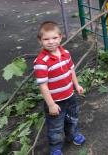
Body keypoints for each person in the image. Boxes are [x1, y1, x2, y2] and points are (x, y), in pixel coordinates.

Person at [33, 21, 85, 155]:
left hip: (70, 96)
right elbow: (43, 85)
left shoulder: (65, 53)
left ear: (60, 37)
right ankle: (55, 148)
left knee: (72, 118)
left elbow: (71, 70)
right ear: (40, 41)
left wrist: (76, 85)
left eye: (54, 38)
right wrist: (51, 105)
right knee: (55, 127)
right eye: (46, 39)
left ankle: (72, 135)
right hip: (55, 102)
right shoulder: (41, 62)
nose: (51, 42)